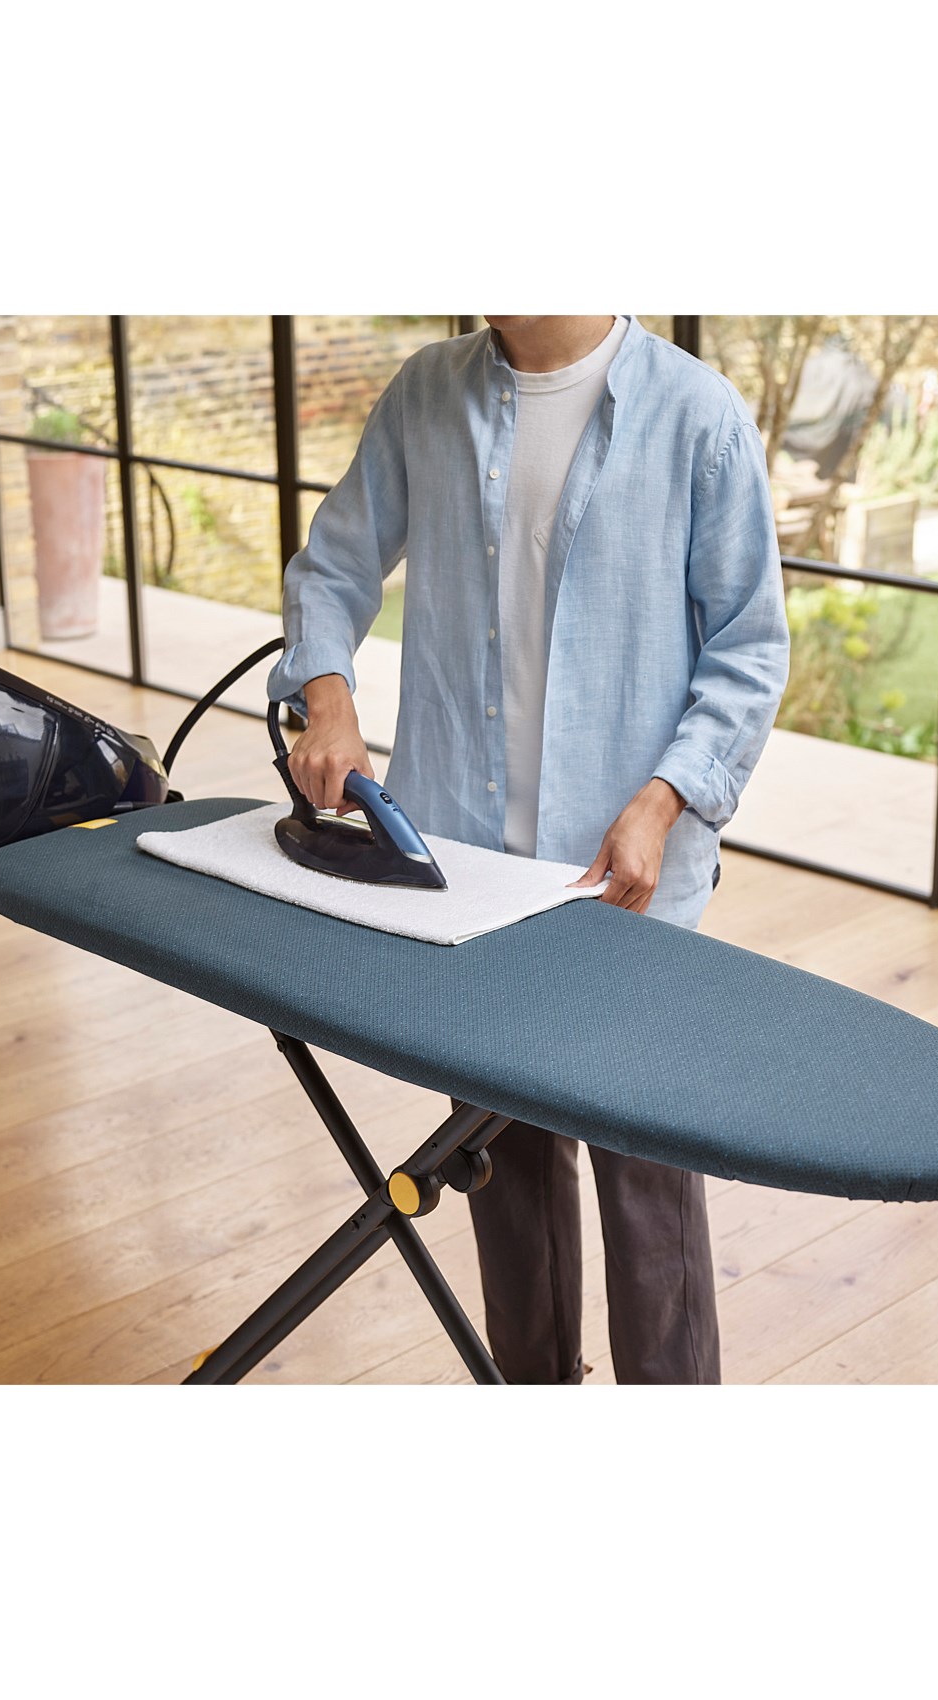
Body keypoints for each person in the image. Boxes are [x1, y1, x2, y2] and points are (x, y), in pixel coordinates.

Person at [267, 315, 790, 1384]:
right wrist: (328, 700)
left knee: (648, 1192)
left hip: (623, 887)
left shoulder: (698, 416)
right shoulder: (426, 394)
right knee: (501, 1174)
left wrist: (662, 802)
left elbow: (748, 649)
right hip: (467, 877)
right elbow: (333, 566)